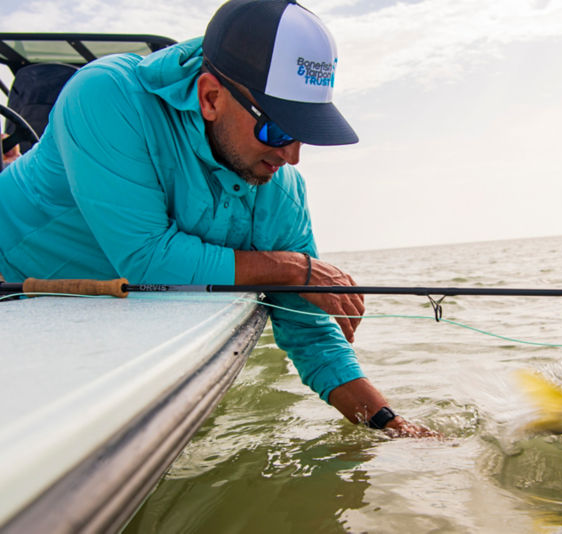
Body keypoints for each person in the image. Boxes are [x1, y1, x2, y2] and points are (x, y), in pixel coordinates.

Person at [0, 0, 435, 437]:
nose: (292, 156)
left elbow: (309, 331)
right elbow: (146, 258)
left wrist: (392, 426)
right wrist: (289, 268)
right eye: (279, 129)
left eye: (305, 133)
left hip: (97, 313)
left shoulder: (281, 188)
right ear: (211, 97)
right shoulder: (105, 94)